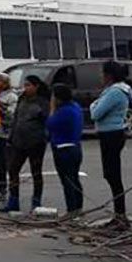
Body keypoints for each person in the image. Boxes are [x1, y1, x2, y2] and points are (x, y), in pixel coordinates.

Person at [90, 61, 132, 230]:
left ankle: (121, 216)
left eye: (103, 73)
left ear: (109, 75)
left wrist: (95, 104)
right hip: (110, 133)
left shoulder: (115, 92)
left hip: (112, 134)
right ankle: (119, 216)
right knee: (110, 174)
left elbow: (95, 113)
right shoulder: (113, 91)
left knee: (113, 175)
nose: (101, 77)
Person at [1, 75, 50, 213]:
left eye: (29, 85)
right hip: (18, 141)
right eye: (25, 85)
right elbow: (16, 118)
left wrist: (44, 136)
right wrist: (11, 137)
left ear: (36, 86)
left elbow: (47, 120)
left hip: (35, 142)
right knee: (13, 169)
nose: (26, 88)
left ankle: (36, 202)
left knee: (36, 172)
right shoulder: (22, 99)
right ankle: (13, 201)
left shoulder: (42, 102)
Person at [47, 84, 84, 217]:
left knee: (67, 181)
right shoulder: (75, 107)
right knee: (74, 179)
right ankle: (78, 207)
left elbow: (50, 124)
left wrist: (52, 109)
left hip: (64, 148)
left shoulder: (63, 111)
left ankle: (72, 210)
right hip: (75, 146)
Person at [0, 73, 18, 199]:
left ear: (5, 84)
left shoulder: (12, 96)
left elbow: (11, 115)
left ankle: (13, 192)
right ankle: (1, 190)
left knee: (9, 164)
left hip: (7, 135)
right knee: (0, 165)